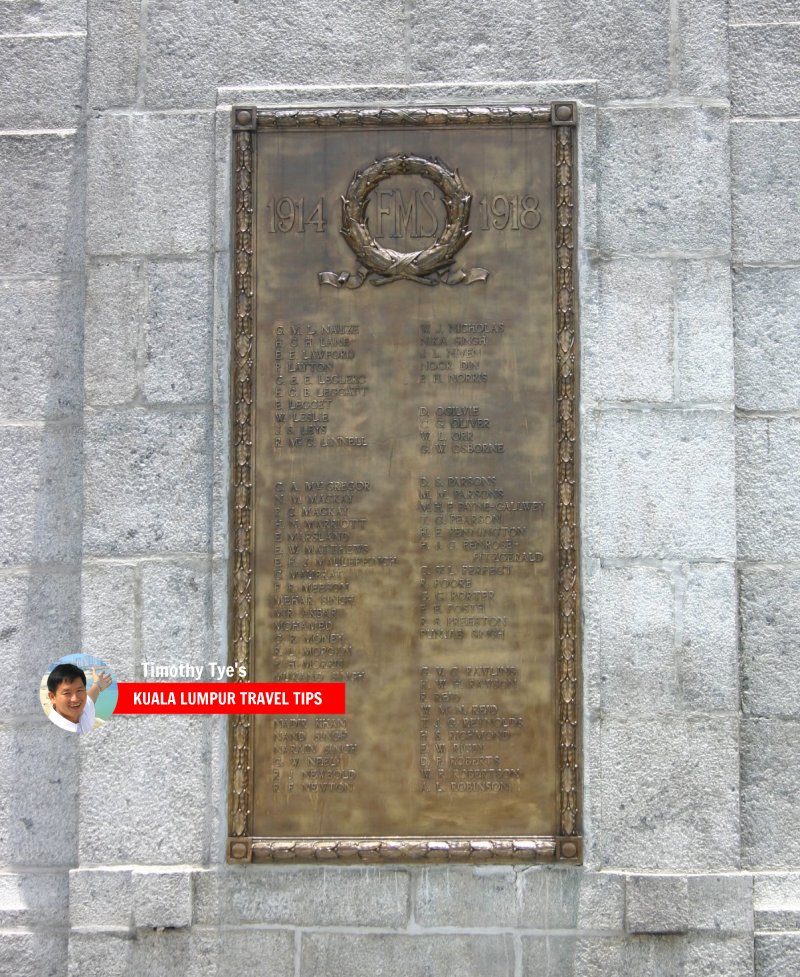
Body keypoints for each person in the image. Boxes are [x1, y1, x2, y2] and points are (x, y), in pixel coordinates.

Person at [46, 662, 112, 734]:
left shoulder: (84, 710)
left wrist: (98, 685)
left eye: (79, 691)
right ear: (52, 697)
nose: (75, 699)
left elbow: (92, 695)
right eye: (67, 693)